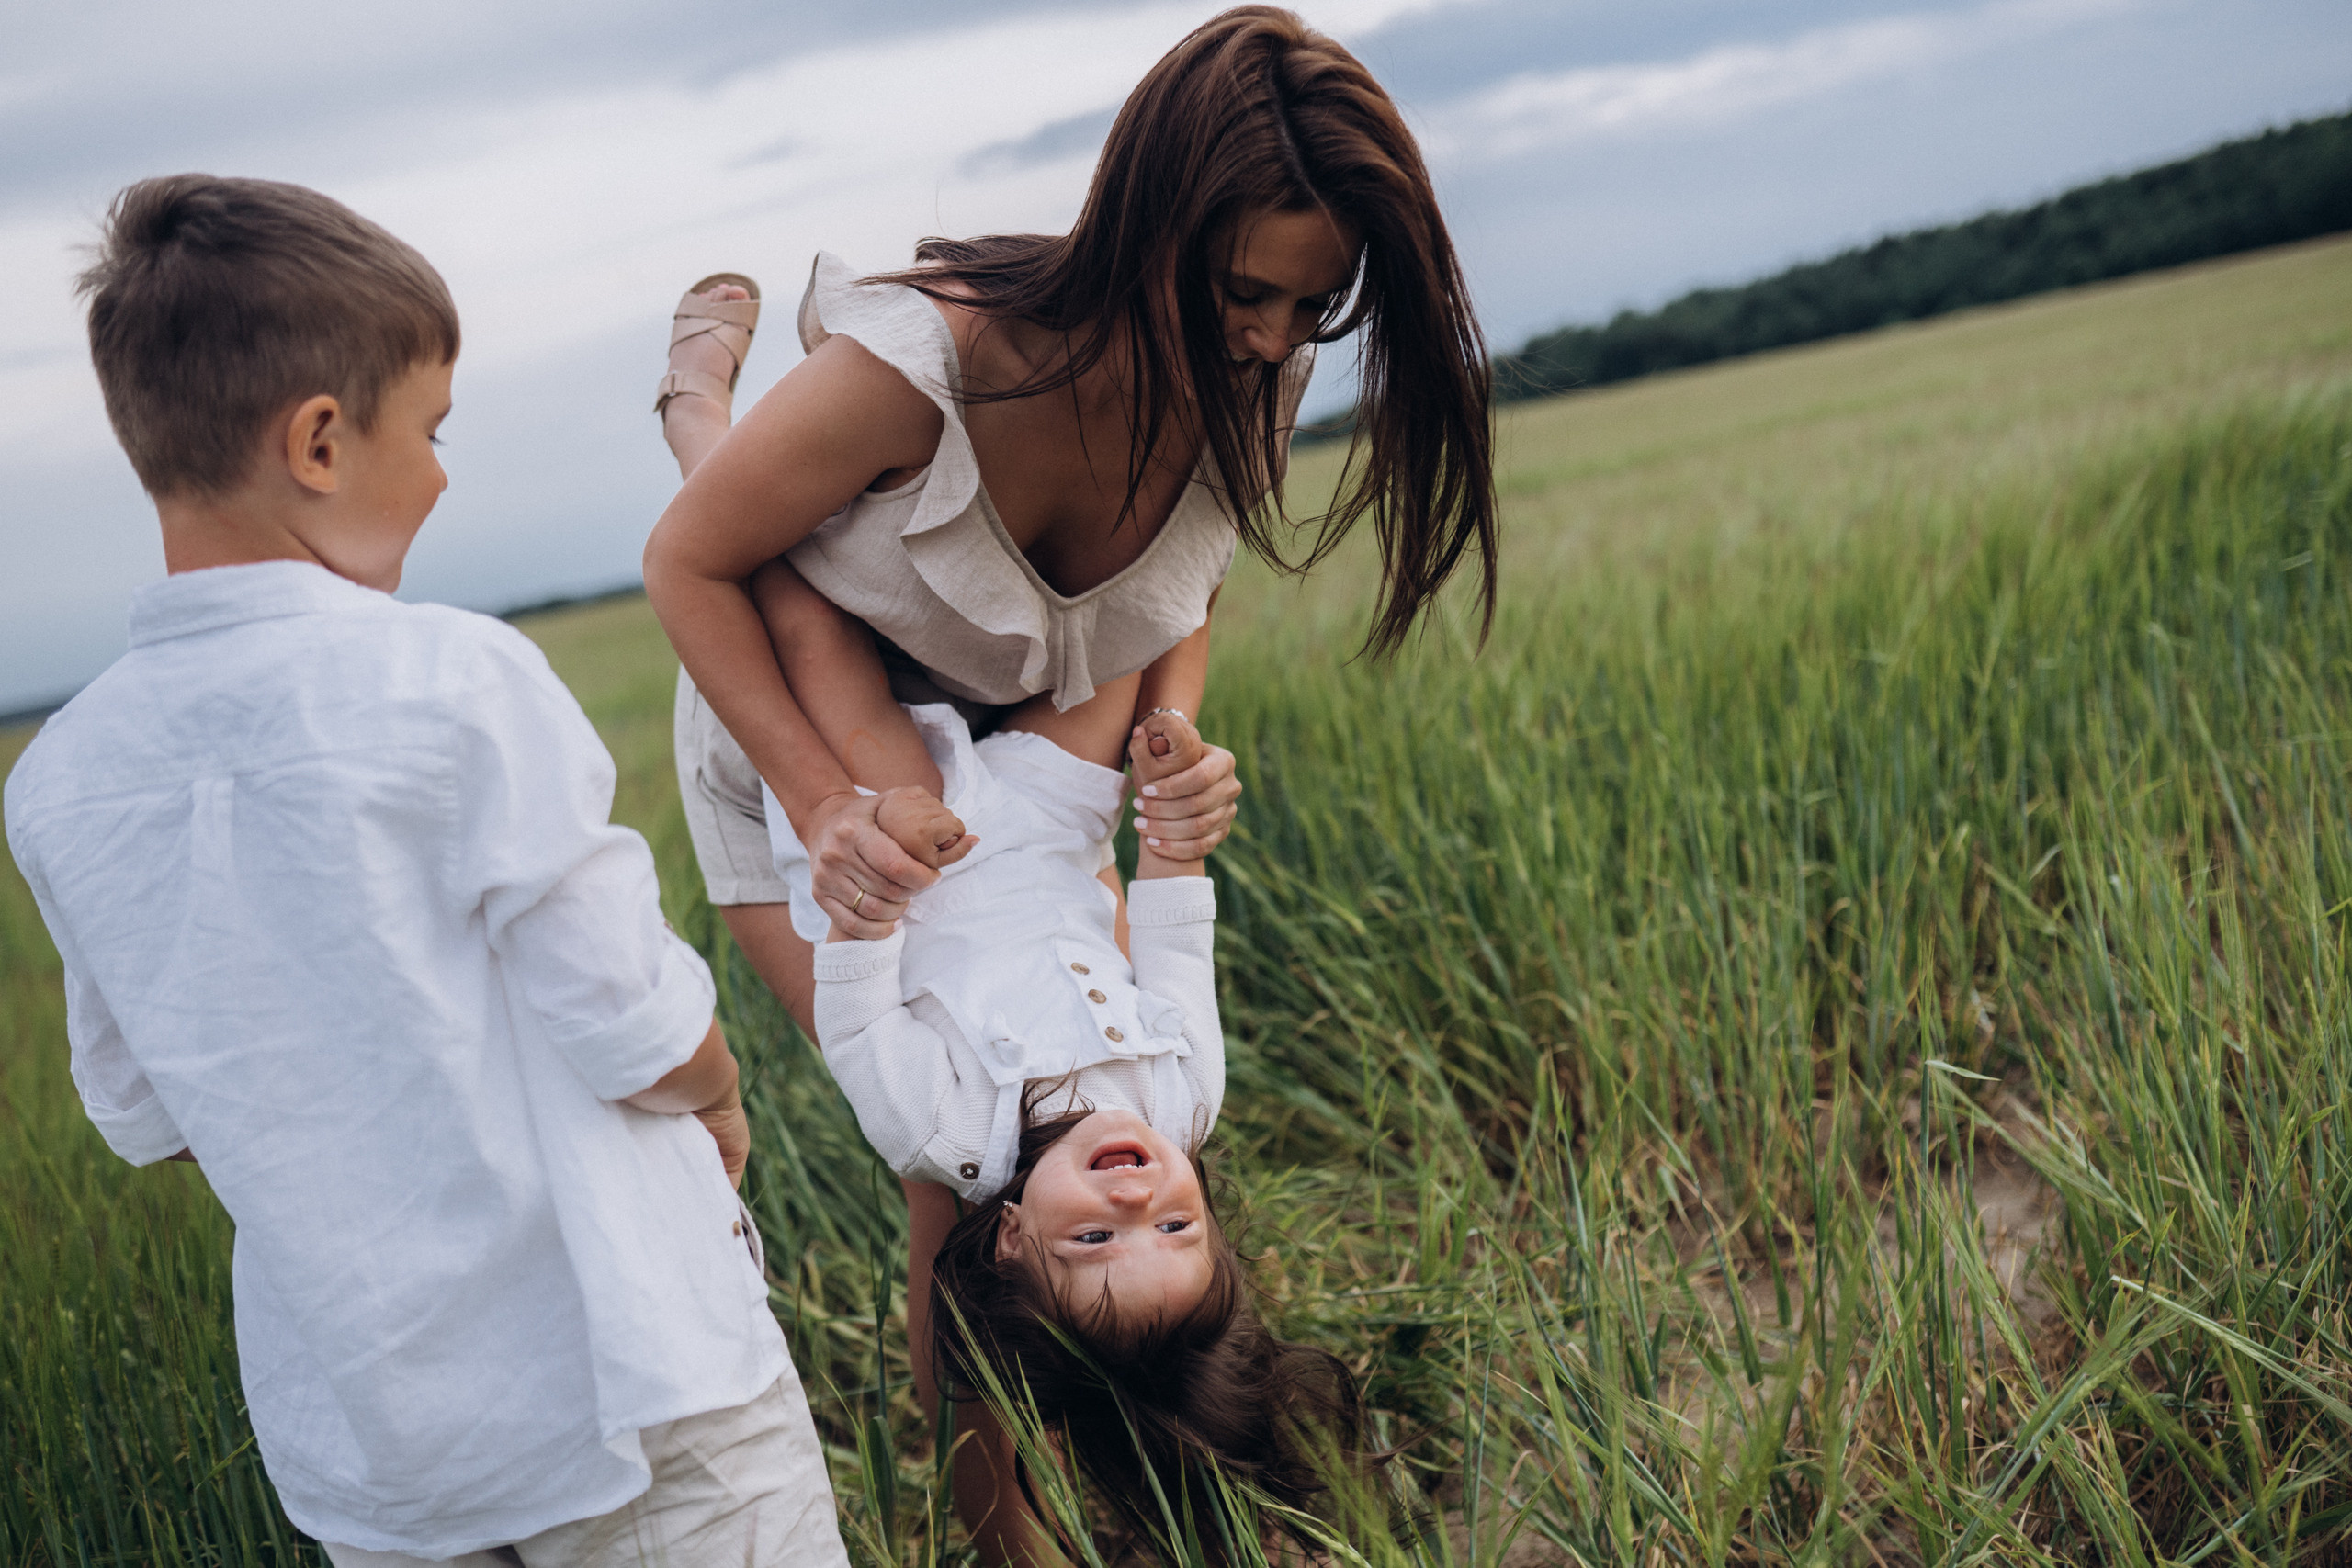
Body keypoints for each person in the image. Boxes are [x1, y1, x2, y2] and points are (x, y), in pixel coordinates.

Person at [644, 4, 1491, 1555]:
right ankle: (1002, 1538)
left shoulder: (1254, 346)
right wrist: (830, 810)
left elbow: (1185, 582)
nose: (1275, 344)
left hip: (1026, 761)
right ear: (1156, 226)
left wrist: (1168, 769)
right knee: (950, 1212)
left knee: (976, 1186)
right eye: (1249, 296)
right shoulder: (933, 361)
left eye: (1317, 313)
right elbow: (695, 562)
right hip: (801, 715)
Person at [4, 175, 847, 1567]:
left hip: (376, 1447)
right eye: (434, 426)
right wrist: (721, 1096)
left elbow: (146, 1111)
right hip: (632, 1376)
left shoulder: (59, 783)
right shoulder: (453, 679)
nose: (448, 469)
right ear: (321, 440)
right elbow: (630, 1020)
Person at [757, 558, 1367, 1560]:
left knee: (808, 626)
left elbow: (859, 1020)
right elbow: (1172, 932)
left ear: (1006, 1244)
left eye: (1095, 1245)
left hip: (915, 843)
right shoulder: (1184, 1100)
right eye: (1177, 1227)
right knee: (1149, 607)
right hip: (1050, 826)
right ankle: (1197, 521)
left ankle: (716, 460)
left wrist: (873, 889)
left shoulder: (946, 1137)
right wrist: (1174, 813)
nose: (1138, 1207)